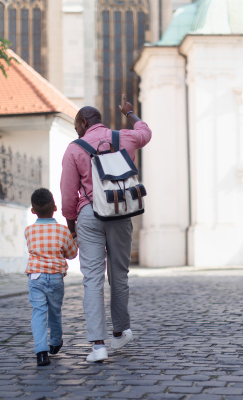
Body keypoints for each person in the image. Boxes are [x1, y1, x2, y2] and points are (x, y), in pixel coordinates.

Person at [60, 94, 152, 362]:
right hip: (121, 211)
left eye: (77, 124)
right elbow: (145, 132)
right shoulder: (124, 137)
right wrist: (130, 114)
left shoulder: (74, 148)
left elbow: (68, 195)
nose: (76, 129)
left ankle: (98, 346)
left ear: (82, 122)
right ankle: (120, 332)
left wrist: (72, 225)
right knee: (119, 274)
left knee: (92, 278)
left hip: (89, 214)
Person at [24, 188, 78, 366]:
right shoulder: (62, 231)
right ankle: (55, 343)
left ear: (33, 210)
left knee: (38, 312)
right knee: (55, 312)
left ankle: (41, 352)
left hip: (35, 277)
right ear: (55, 207)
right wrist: (73, 240)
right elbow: (71, 254)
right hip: (55, 277)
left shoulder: (29, 231)